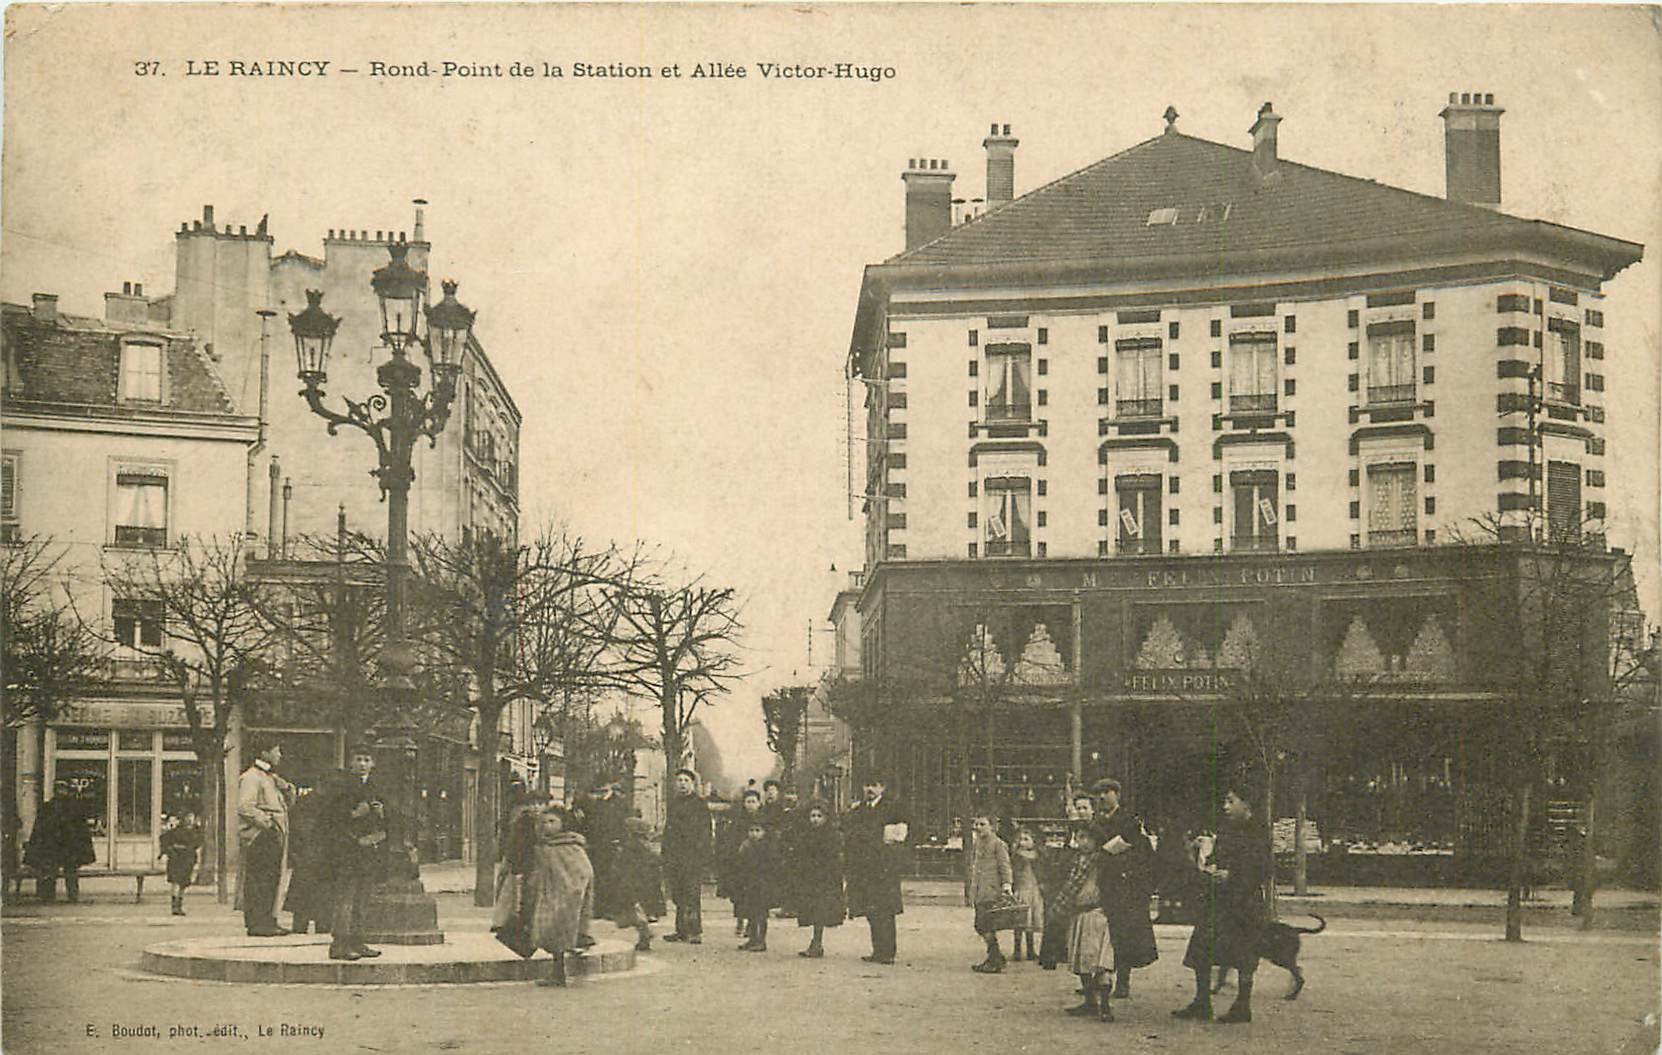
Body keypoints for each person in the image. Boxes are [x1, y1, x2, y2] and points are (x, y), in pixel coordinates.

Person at [1174, 781, 1271, 1024]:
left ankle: (1242, 1005)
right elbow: (1218, 857)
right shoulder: (1227, 830)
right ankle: (1202, 1001)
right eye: (1225, 801)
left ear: (1246, 804)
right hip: (1219, 900)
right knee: (1202, 949)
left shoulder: (1258, 831)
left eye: (1231, 801)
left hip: (1244, 902)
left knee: (1244, 955)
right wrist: (1211, 864)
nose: (1225, 806)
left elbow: (1263, 868)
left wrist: (1233, 876)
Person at [320, 745, 389, 961]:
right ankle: (340, 943)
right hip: (346, 849)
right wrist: (354, 814)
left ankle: (358, 940)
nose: (362, 764)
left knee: (362, 896)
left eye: (366, 760)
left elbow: (387, 816)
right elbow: (329, 817)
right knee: (346, 896)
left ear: (373, 764)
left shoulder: (375, 785)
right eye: (358, 759)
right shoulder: (341, 785)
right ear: (351, 762)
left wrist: (380, 812)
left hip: (368, 847)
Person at [1093, 778, 1159, 1000]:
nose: (1102, 797)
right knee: (1100, 932)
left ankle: (1122, 980)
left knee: (1123, 933)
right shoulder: (1096, 821)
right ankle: (1100, 979)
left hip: (1125, 885)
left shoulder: (1129, 820)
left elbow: (1141, 852)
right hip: (1104, 882)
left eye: (1107, 792)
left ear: (1117, 794)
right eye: (1099, 793)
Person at [523, 805, 595, 987]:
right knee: (553, 936)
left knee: (561, 934)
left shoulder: (571, 845)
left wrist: (573, 890)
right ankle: (558, 972)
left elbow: (583, 871)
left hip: (568, 897)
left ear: (563, 824)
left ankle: (560, 973)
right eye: (544, 822)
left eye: (552, 821)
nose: (547, 826)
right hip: (549, 894)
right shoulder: (543, 846)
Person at [1051, 822, 1115, 1022]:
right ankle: (1090, 1001)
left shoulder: (1103, 861)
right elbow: (1067, 885)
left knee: (1100, 962)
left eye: (1087, 837)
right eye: (1079, 837)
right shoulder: (1075, 861)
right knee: (1082, 960)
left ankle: (1105, 1004)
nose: (1083, 842)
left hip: (1097, 914)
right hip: (1078, 913)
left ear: (1096, 840)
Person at [843, 776, 910, 965]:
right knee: (870, 909)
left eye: (874, 785)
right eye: (867, 785)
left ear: (883, 787)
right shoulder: (858, 810)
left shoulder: (893, 809)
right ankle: (877, 949)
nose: (870, 789)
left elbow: (900, 836)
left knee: (885, 910)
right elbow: (850, 833)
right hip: (864, 868)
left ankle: (888, 951)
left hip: (884, 868)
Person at [236, 741, 293, 937]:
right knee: (260, 879)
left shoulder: (270, 777)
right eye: (277, 750)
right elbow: (244, 807)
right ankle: (258, 922)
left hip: (273, 834)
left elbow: (284, 805)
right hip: (261, 836)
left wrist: (286, 789)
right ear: (264, 752)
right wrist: (268, 824)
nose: (280, 755)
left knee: (271, 878)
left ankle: (268, 920)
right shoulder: (252, 777)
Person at [661, 768, 711, 945]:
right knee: (678, 894)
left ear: (692, 784)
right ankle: (681, 930)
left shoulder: (699, 804)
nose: (682, 783)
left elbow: (706, 832)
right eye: (679, 780)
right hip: (675, 856)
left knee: (691, 894)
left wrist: (701, 855)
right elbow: (669, 830)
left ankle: (695, 931)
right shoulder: (674, 804)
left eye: (686, 781)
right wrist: (665, 853)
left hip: (692, 856)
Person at [27, 779, 95, 903]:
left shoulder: (51, 807)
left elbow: (39, 830)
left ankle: (51, 897)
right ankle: (68, 897)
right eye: (60, 790)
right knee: (66, 873)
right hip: (64, 848)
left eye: (62, 790)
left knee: (58, 872)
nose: (62, 793)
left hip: (58, 847)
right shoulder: (72, 808)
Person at [792, 801, 845, 958]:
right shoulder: (806, 834)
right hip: (810, 878)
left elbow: (835, 858)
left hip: (825, 879)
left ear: (826, 818)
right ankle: (816, 942)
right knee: (813, 910)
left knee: (820, 911)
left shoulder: (832, 835)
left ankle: (817, 943)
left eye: (819, 816)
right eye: (812, 816)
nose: (815, 819)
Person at [966, 813, 1014, 973]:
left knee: (984, 924)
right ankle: (995, 956)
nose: (978, 828)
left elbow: (1005, 866)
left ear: (992, 827)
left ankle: (994, 957)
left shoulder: (998, 844)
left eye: (982, 824)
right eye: (976, 824)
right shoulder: (977, 843)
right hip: (980, 890)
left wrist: (1007, 885)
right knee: (983, 925)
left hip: (992, 891)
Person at [283, 786, 332, 935]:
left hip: (311, 854)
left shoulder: (307, 803)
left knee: (309, 896)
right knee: (315, 895)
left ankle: (306, 927)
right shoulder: (312, 804)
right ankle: (316, 927)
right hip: (313, 854)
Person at [720, 787, 765, 937]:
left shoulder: (763, 821)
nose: (751, 805)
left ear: (759, 803)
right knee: (740, 896)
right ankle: (740, 920)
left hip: (757, 865)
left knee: (754, 898)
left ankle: (752, 926)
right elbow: (730, 841)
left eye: (754, 801)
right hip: (740, 865)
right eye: (748, 802)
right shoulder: (738, 822)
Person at [612, 816, 662, 951]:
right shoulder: (647, 849)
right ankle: (644, 937)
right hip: (644, 884)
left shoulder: (629, 847)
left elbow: (621, 866)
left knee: (635, 912)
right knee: (638, 912)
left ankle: (645, 935)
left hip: (632, 884)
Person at [732, 821, 773, 952]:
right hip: (748, 883)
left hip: (762, 884)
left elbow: (770, 866)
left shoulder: (766, 847)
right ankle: (752, 938)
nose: (754, 834)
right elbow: (739, 864)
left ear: (764, 833)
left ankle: (761, 940)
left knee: (761, 913)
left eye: (757, 831)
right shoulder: (745, 846)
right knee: (750, 912)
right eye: (751, 830)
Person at [1010, 827, 1046, 963]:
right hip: (1022, 889)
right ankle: (1017, 949)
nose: (1023, 842)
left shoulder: (1038, 855)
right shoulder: (1017, 856)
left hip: (1034, 889)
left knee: (1030, 921)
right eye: (1020, 839)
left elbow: (1041, 871)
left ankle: (1031, 949)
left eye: (1026, 839)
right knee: (1020, 920)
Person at [158, 810, 203, 916]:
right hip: (177, 859)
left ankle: (179, 904)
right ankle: (175, 905)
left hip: (188, 860)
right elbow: (165, 840)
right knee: (176, 882)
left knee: (184, 883)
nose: (190, 820)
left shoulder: (195, 831)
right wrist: (169, 851)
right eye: (188, 817)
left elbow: (198, 842)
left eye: (192, 817)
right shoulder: (176, 831)